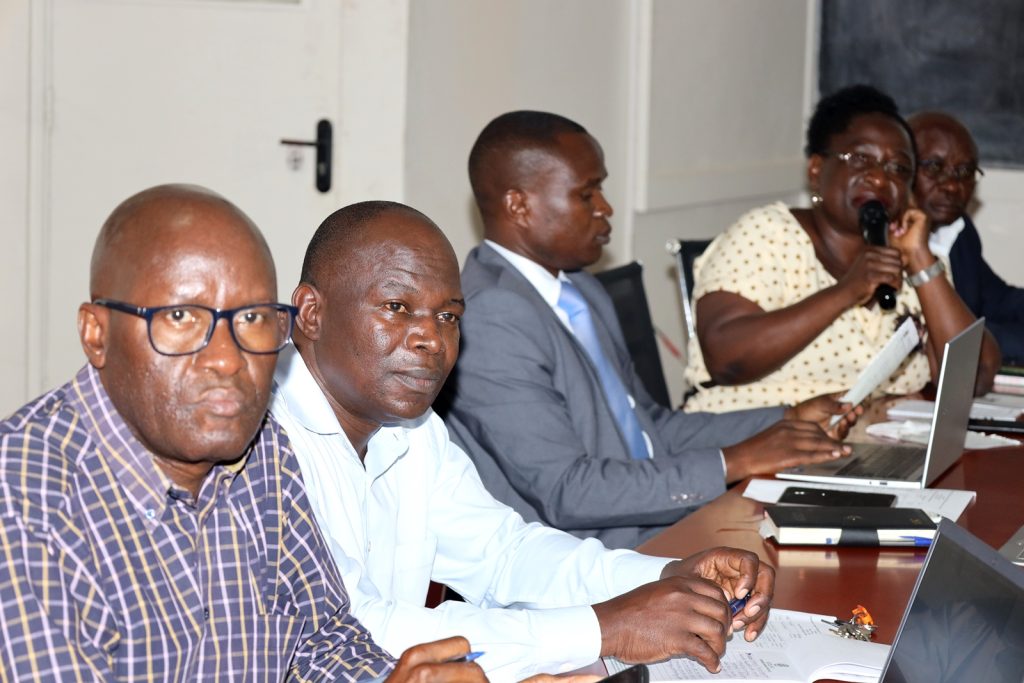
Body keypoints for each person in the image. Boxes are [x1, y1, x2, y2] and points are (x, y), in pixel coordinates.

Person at [270, 200, 776, 682]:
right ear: (310, 313)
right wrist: (606, 627)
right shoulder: (264, 445)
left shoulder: (415, 430)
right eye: (397, 307)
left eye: (448, 316)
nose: (431, 339)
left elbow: (503, 554)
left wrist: (666, 576)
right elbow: (358, 632)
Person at [0, 185, 483, 682]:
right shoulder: (23, 502)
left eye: (252, 318)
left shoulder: (263, 451)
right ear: (96, 333)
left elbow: (319, 641)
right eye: (181, 318)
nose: (229, 359)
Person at [439, 110, 860, 550]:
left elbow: (649, 428)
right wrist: (734, 461)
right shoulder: (491, 316)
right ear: (519, 206)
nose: (606, 208)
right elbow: (568, 489)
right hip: (584, 557)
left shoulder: (581, 289)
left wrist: (785, 419)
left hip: (657, 523)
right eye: (588, 193)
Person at [683, 85, 1000, 412]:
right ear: (817, 170)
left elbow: (976, 377)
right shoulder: (769, 235)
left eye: (898, 168)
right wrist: (848, 290)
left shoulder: (914, 258)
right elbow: (726, 359)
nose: (879, 179)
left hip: (873, 449)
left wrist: (921, 260)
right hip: (753, 440)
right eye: (861, 159)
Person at [908, 111, 1024, 365]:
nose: (951, 185)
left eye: (964, 171)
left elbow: (998, 299)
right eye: (934, 167)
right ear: (903, 168)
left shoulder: (958, 231)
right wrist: (980, 334)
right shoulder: (886, 244)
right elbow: (949, 339)